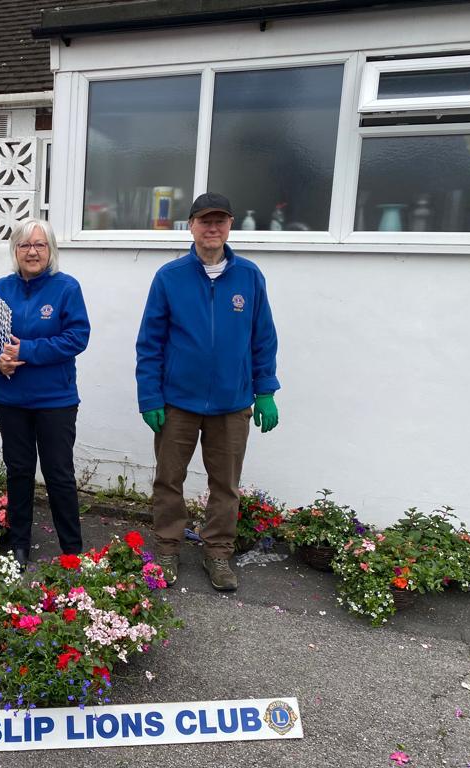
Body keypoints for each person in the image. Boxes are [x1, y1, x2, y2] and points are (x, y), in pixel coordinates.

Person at [135, 192, 280, 591]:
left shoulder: (249, 277)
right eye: (204, 221)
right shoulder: (170, 277)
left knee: (225, 485)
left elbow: (263, 338)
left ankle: (218, 554)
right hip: (177, 402)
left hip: (232, 404)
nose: (212, 228)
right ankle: (167, 547)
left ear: (230, 225)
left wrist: (265, 389)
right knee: (168, 479)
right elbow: (150, 342)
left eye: (220, 221)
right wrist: (150, 396)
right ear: (192, 226)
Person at [0, 218, 90, 568]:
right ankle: (19, 543)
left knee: (59, 474)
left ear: (51, 249)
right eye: (25, 245)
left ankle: (72, 549)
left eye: (39, 244)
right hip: (11, 400)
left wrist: (27, 352)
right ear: (15, 251)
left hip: (56, 400)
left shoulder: (66, 288)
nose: (32, 251)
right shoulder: (0, 289)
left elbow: (76, 338)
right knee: (19, 471)